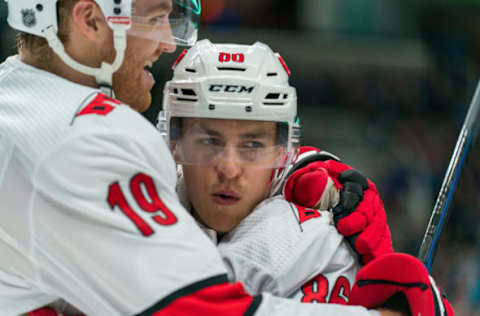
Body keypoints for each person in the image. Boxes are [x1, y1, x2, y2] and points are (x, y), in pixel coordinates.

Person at [0, 1, 451, 315]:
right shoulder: (87, 141)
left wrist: (299, 172)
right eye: (156, 17)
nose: (165, 41)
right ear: (90, 20)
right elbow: (195, 309)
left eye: (254, 144)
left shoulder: (17, 96)